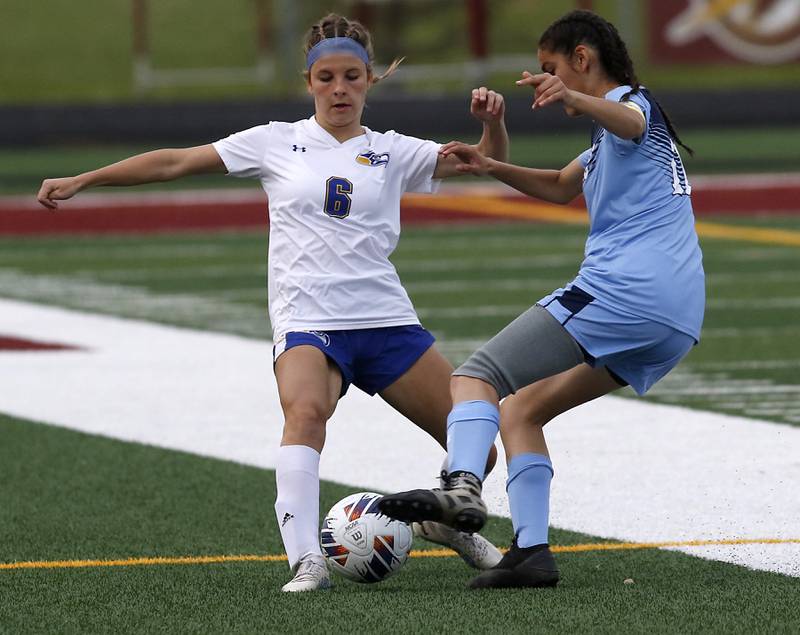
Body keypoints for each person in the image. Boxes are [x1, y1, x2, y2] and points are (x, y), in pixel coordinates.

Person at [37, 13, 509, 592]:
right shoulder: (273, 141)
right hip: (310, 321)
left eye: (352, 77)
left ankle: (446, 523)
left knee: (477, 447)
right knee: (307, 413)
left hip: (385, 319)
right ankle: (307, 560)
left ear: (369, 82)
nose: (340, 89)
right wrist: (86, 179)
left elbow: (485, 161)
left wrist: (494, 127)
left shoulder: (393, 151)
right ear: (309, 81)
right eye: (327, 77)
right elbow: (174, 161)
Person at [378, 9, 705, 590]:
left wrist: (574, 96)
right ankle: (531, 553)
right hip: (673, 318)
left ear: (583, 59)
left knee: (475, 377)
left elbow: (630, 120)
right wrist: (490, 165)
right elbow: (559, 186)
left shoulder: (636, 110)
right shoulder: (612, 137)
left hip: (624, 295)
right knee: (521, 410)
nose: (546, 82)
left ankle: (459, 487)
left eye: (552, 70)